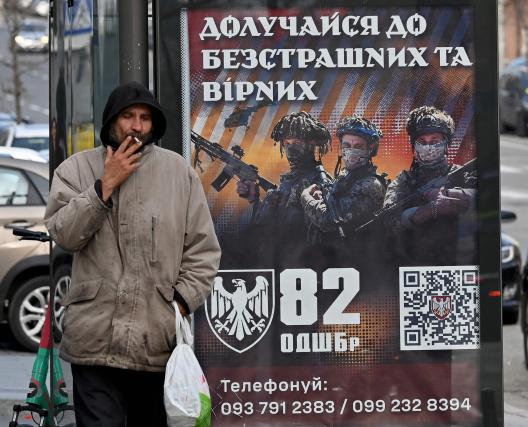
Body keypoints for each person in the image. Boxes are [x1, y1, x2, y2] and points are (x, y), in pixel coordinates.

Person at [44, 81, 221, 427]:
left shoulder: (178, 173)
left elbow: (203, 251)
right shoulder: (75, 170)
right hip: (94, 343)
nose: (137, 126)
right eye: (128, 116)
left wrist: (178, 304)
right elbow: (63, 233)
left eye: (144, 118)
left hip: (155, 343)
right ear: (112, 121)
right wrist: (104, 186)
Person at [236, 111, 333, 265]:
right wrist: (254, 198)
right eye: (287, 144)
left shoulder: (319, 180)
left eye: (297, 143)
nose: (290, 148)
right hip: (280, 262)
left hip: (305, 266)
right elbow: (271, 226)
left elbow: (323, 230)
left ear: (311, 145)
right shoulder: (289, 181)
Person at [383, 106, 476, 265]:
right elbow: (389, 219)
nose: (428, 147)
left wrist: (454, 195)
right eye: (422, 141)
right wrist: (430, 210)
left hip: (459, 263)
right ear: (414, 145)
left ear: (446, 144)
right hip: (414, 264)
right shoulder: (404, 180)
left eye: (435, 141)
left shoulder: (463, 175)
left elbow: (485, 199)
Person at [300, 114, 387, 253]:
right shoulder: (345, 177)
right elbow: (333, 204)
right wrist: (320, 198)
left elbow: (328, 221)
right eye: (347, 145)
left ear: (370, 149)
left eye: (358, 146)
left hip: (358, 260)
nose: (351, 151)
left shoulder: (370, 185)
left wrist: (306, 198)